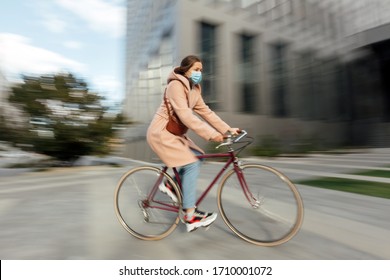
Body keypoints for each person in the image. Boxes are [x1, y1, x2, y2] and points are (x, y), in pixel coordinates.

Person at [146, 55, 240, 232]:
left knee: (199, 157)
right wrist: (213, 135)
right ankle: (190, 215)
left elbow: (207, 113)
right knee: (192, 164)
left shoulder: (195, 90)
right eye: (196, 69)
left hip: (175, 135)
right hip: (162, 133)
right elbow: (186, 116)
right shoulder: (175, 86)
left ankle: (170, 184)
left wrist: (227, 131)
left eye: (201, 70)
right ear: (185, 70)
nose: (199, 73)